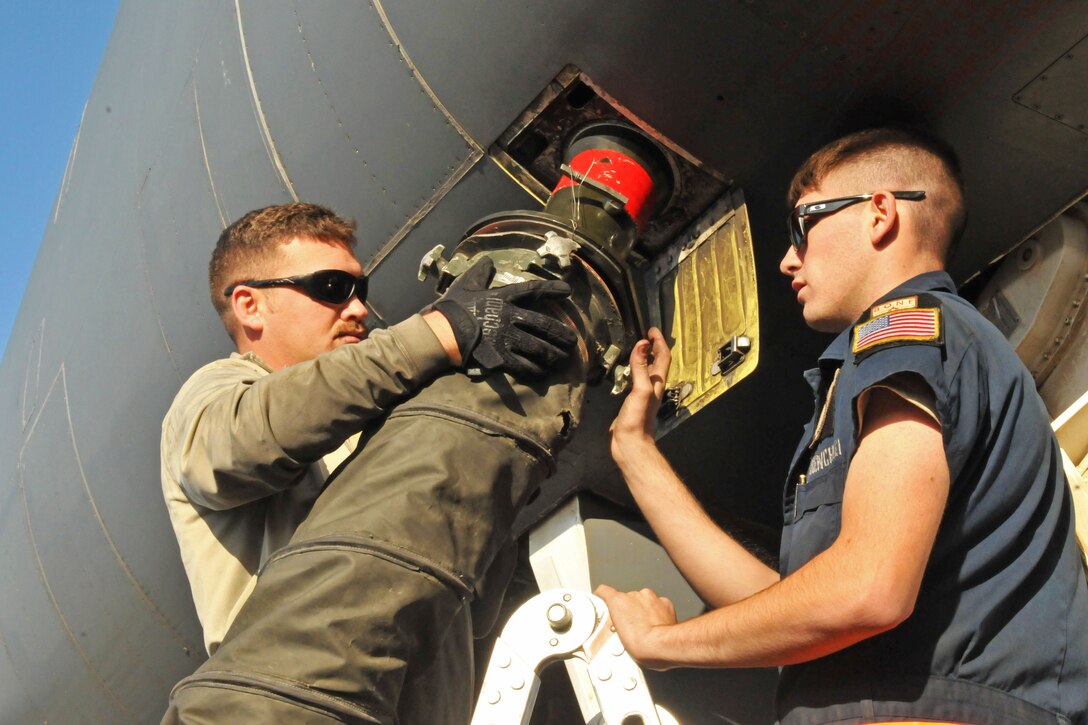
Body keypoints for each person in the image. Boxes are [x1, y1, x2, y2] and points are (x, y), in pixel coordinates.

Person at [597, 128, 1088, 724]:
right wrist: (634, 449)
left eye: (803, 225)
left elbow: (867, 590)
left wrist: (664, 645)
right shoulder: (889, 360)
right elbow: (787, 602)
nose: (787, 259)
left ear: (880, 214)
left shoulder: (910, 330)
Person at [161, 201, 575, 656]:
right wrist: (437, 333)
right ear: (250, 305)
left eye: (360, 288)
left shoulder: (372, 421)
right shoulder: (214, 394)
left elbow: (472, 616)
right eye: (332, 287)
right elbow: (242, 445)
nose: (358, 308)